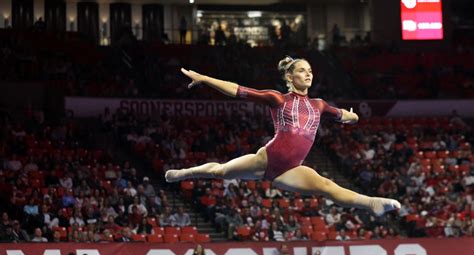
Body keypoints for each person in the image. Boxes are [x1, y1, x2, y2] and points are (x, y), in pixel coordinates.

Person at [165, 57, 400, 217]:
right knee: (220, 172)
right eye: (301, 70)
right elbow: (237, 90)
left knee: (327, 185)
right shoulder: (278, 99)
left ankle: (371, 203)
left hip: (291, 169)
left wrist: (352, 117)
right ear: (290, 76)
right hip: (267, 159)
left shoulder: (319, 105)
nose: (307, 74)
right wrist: (205, 79)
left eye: (310, 71)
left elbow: (343, 116)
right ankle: (186, 173)